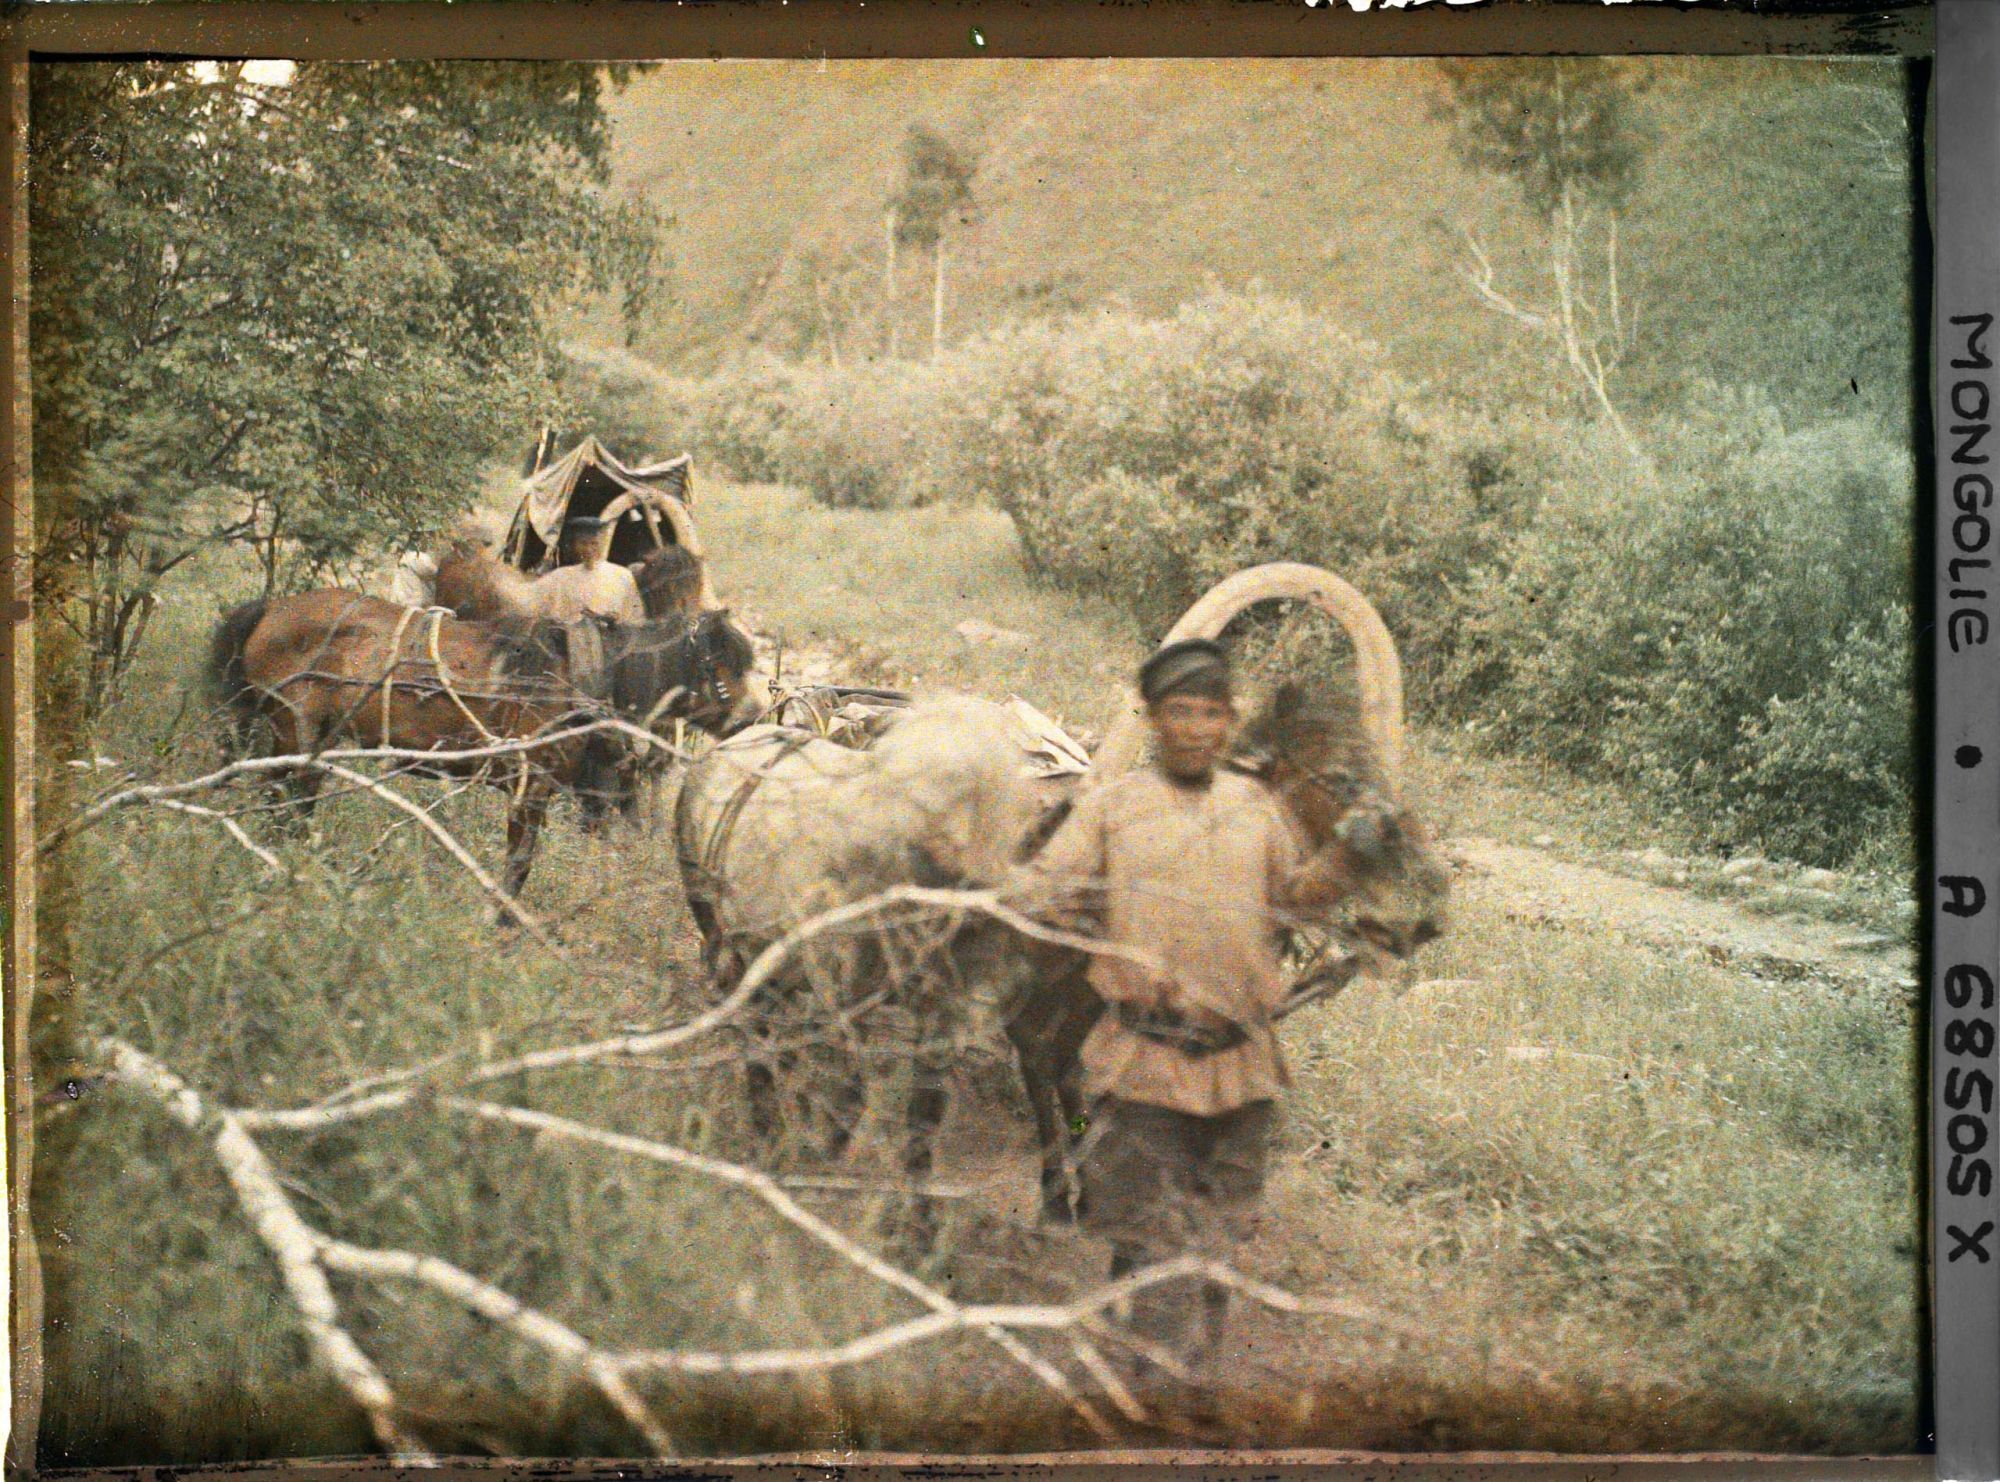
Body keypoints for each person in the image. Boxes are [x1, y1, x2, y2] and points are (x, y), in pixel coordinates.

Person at [1026, 637, 1313, 1388]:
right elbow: (1046, 892)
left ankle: (1187, 1376)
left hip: (1240, 1070)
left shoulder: (1258, 809)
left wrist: (1354, 860)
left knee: (1216, 1247)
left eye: (1211, 713)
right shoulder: (1110, 810)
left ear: (1230, 722)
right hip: (1141, 1066)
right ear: (1153, 720)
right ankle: (1150, 1393)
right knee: (1148, 1242)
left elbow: (1297, 900)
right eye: (1180, 712)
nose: (1196, 728)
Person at [534, 513, 647, 625]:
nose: (588, 549)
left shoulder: (622, 575)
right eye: (583, 543)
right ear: (573, 545)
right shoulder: (561, 576)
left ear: (602, 543)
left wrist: (616, 619)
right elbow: (549, 615)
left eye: (594, 543)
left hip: (614, 639)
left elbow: (636, 618)